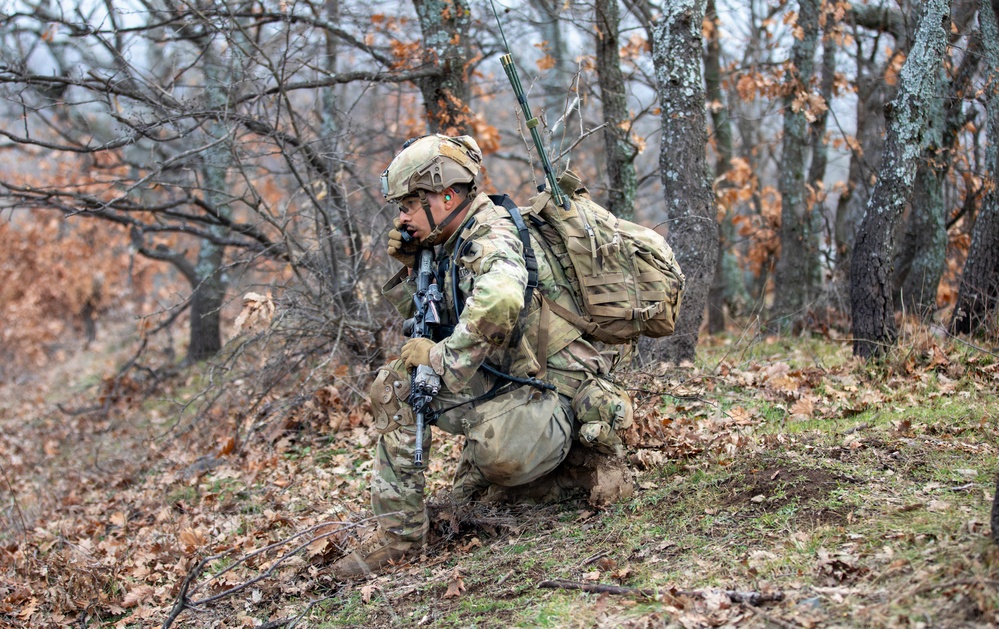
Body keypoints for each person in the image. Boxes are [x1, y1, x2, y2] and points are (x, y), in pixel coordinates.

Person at [330, 134, 634, 578]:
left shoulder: (491, 235)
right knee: (397, 387)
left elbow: (501, 299)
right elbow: (445, 315)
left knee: (499, 460)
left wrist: (440, 358)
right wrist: (414, 268)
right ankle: (401, 537)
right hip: (514, 378)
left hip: (555, 383)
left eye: (409, 204)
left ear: (446, 196)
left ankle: (573, 463)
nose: (402, 217)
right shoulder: (455, 238)